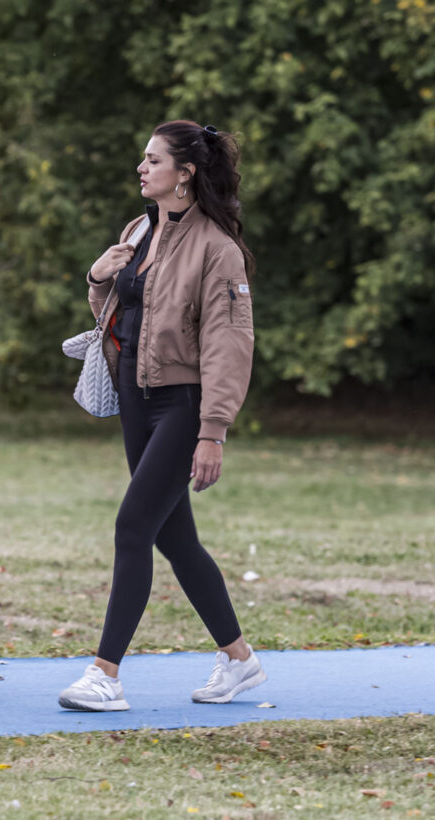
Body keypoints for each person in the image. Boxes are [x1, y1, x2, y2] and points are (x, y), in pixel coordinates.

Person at [57, 121, 264, 712]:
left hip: (183, 404)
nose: (141, 168)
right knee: (175, 538)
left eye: (153, 160)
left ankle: (105, 674)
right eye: (143, 160)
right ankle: (240, 660)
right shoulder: (138, 230)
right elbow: (121, 314)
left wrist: (212, 432)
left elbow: (229, 344)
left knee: (133, 528)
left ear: (185, 173)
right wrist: (98, 277)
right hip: (135, 397)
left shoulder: (218, 250)